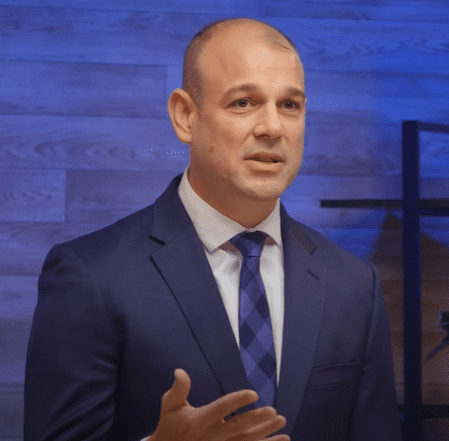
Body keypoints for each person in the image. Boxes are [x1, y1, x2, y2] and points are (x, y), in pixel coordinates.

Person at [24, 17, 401, 441]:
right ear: (185, 115)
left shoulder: (353, 284)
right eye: (243, 102)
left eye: (290, 105)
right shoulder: (90, 275)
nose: (272, 128)